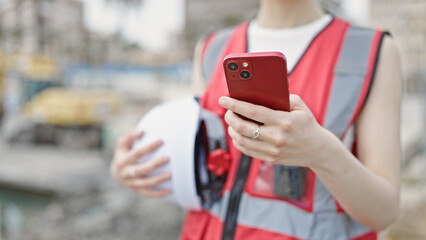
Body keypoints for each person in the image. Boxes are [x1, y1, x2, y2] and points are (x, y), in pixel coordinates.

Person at [110, 0, 402, 239]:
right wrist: (135, 166)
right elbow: (199, 168)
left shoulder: (371, 51)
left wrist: (322, 153)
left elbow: (384, 211)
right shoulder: (212, 48)